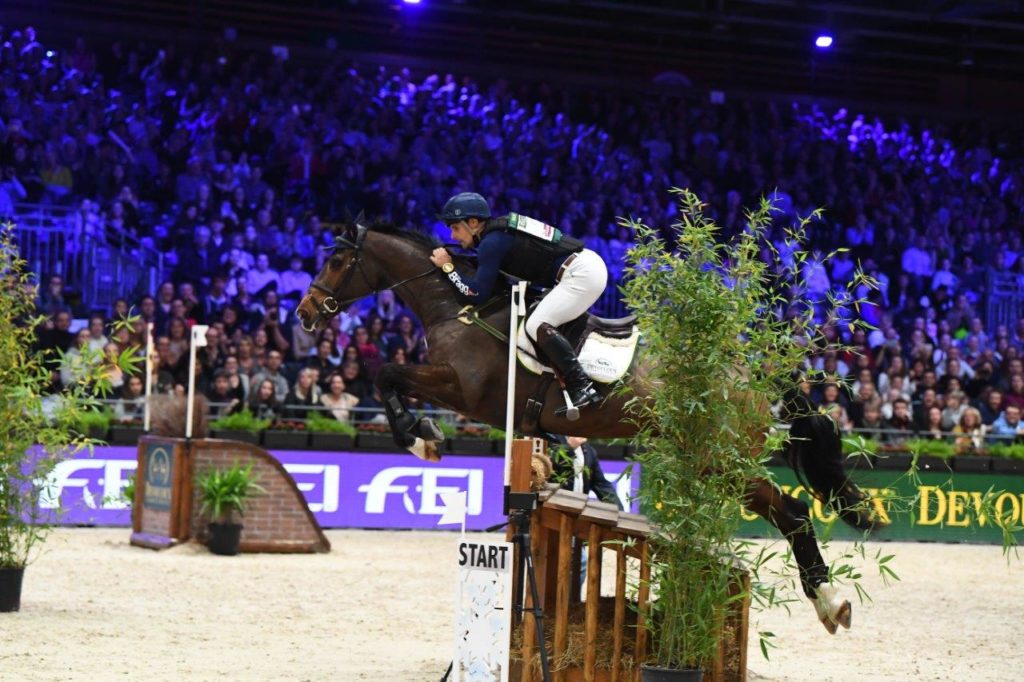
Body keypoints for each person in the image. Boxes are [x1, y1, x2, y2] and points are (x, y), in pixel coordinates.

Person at [429, 192, 605, 413]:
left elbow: (475, 295)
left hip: (580, 274)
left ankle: (582, 386)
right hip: (581, 268)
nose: (453, 236)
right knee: (535, 320)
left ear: (473, 223)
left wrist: (447, 268)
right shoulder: (496, 235)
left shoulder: (491, 242)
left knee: (536, 324)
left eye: (455, 228)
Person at [548, 435, 622, 509]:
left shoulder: (589, 450)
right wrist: (568, 447)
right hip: (554, 509)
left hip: (579, 511)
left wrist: (619, 511)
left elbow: (601, 485)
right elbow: (545, 466)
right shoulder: (550, 437)